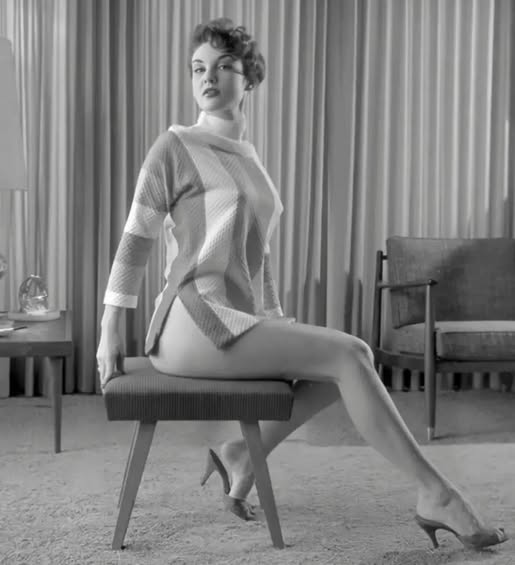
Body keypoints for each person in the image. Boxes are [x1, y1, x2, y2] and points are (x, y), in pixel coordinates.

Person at [96, 18, 507, 550]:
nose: (208, 78)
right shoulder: (175, 145)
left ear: (250, 78)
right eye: (198, 68)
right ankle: (438, 494)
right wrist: (110, 327)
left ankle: (240, 454)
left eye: (224, 66)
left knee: (343, 368)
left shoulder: (249, 159)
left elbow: (257, 257)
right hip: (191, 321)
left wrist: (275, 320)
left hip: (236, 319)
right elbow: (136, 240)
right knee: (350, 354)